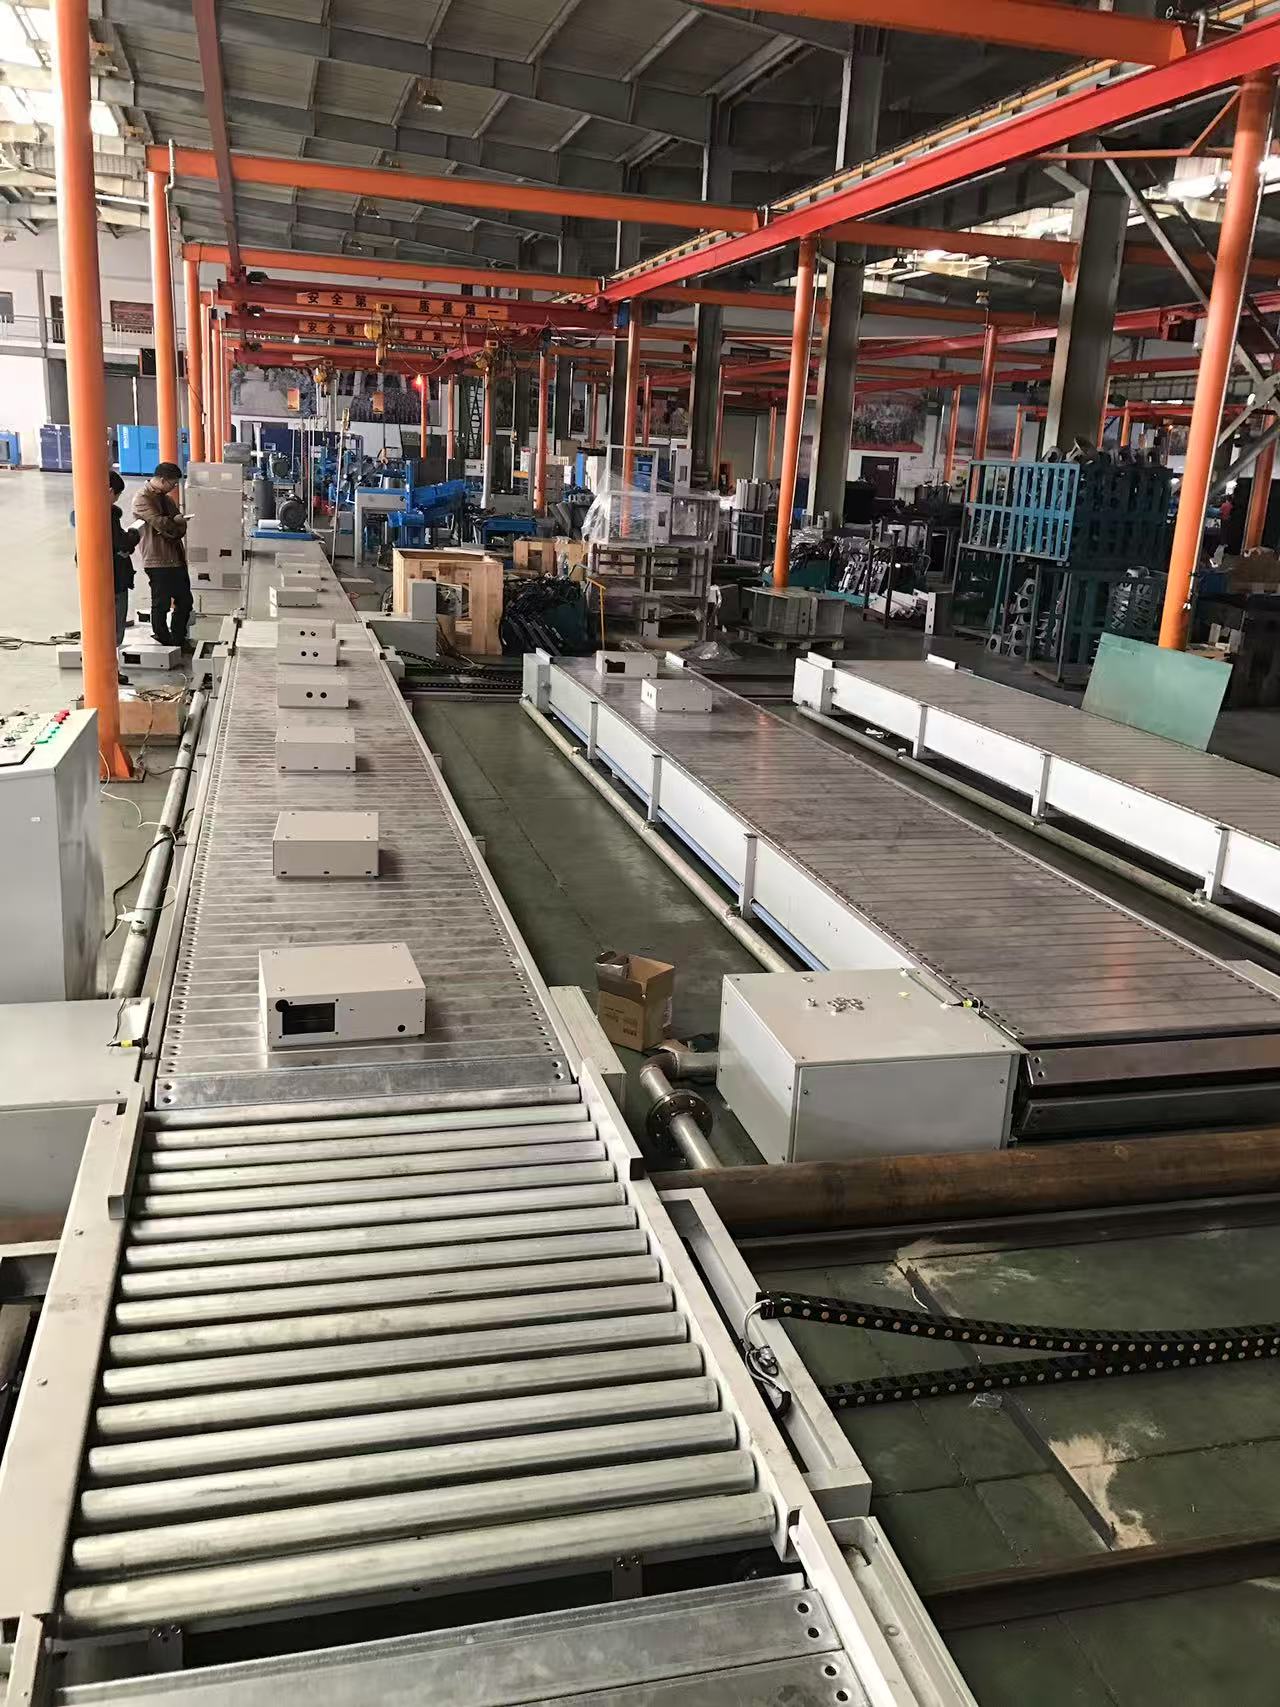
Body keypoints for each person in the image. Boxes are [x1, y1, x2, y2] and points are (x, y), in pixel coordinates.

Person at [132, 461, 193, 652]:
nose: (174, 487)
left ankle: (178, 637)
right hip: (157, 559)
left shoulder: (167, 500)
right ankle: (163, 638)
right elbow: (161, 523)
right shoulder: (142, 499)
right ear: (162, 479)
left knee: (185, 601)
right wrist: (174, 523)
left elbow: (179, 528)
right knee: (161, 603)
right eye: (172, 484)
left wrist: (175, 525)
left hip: (176, 557)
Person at [109, 470, 140, 685]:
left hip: (98, 580)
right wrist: (133, 536)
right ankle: (109, 671)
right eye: (118, 494)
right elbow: (122, 544)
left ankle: (106, 670)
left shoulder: (86, 510)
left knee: (105, 627)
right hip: (115, 580)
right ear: (110, 491)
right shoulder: (108, 515)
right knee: (113, 629)